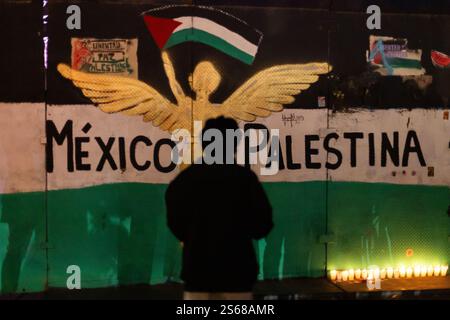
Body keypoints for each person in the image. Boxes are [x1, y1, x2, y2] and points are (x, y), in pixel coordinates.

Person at [165, 116, 273, 300]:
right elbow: (263, 224)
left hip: (197, 271)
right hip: (236, 272)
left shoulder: (185, 180)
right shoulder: (245, 180)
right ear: (235, 143)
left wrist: (193, 237)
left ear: (204, 143)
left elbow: (175, 223)